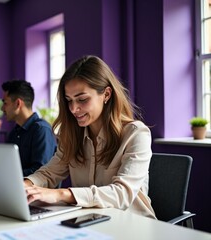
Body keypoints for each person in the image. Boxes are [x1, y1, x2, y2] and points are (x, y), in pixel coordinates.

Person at [24, 55, 156, 218]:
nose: (73, 109)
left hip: (132, 224)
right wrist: (25, 185)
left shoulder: (136, 134)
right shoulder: (73, 136)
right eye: (69, 100)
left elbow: (121, 194)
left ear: (106, 94)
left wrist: (60, 194)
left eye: (82, 99)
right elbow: (49, 173)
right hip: (89, 223)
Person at [1, 80, 57, 176]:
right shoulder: (14, 133)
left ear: (18, 103)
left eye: (5, 103)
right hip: (16, 187)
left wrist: (8, 176)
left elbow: (40, 172)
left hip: (36, 190)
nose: (2, 108)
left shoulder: (42, 130)